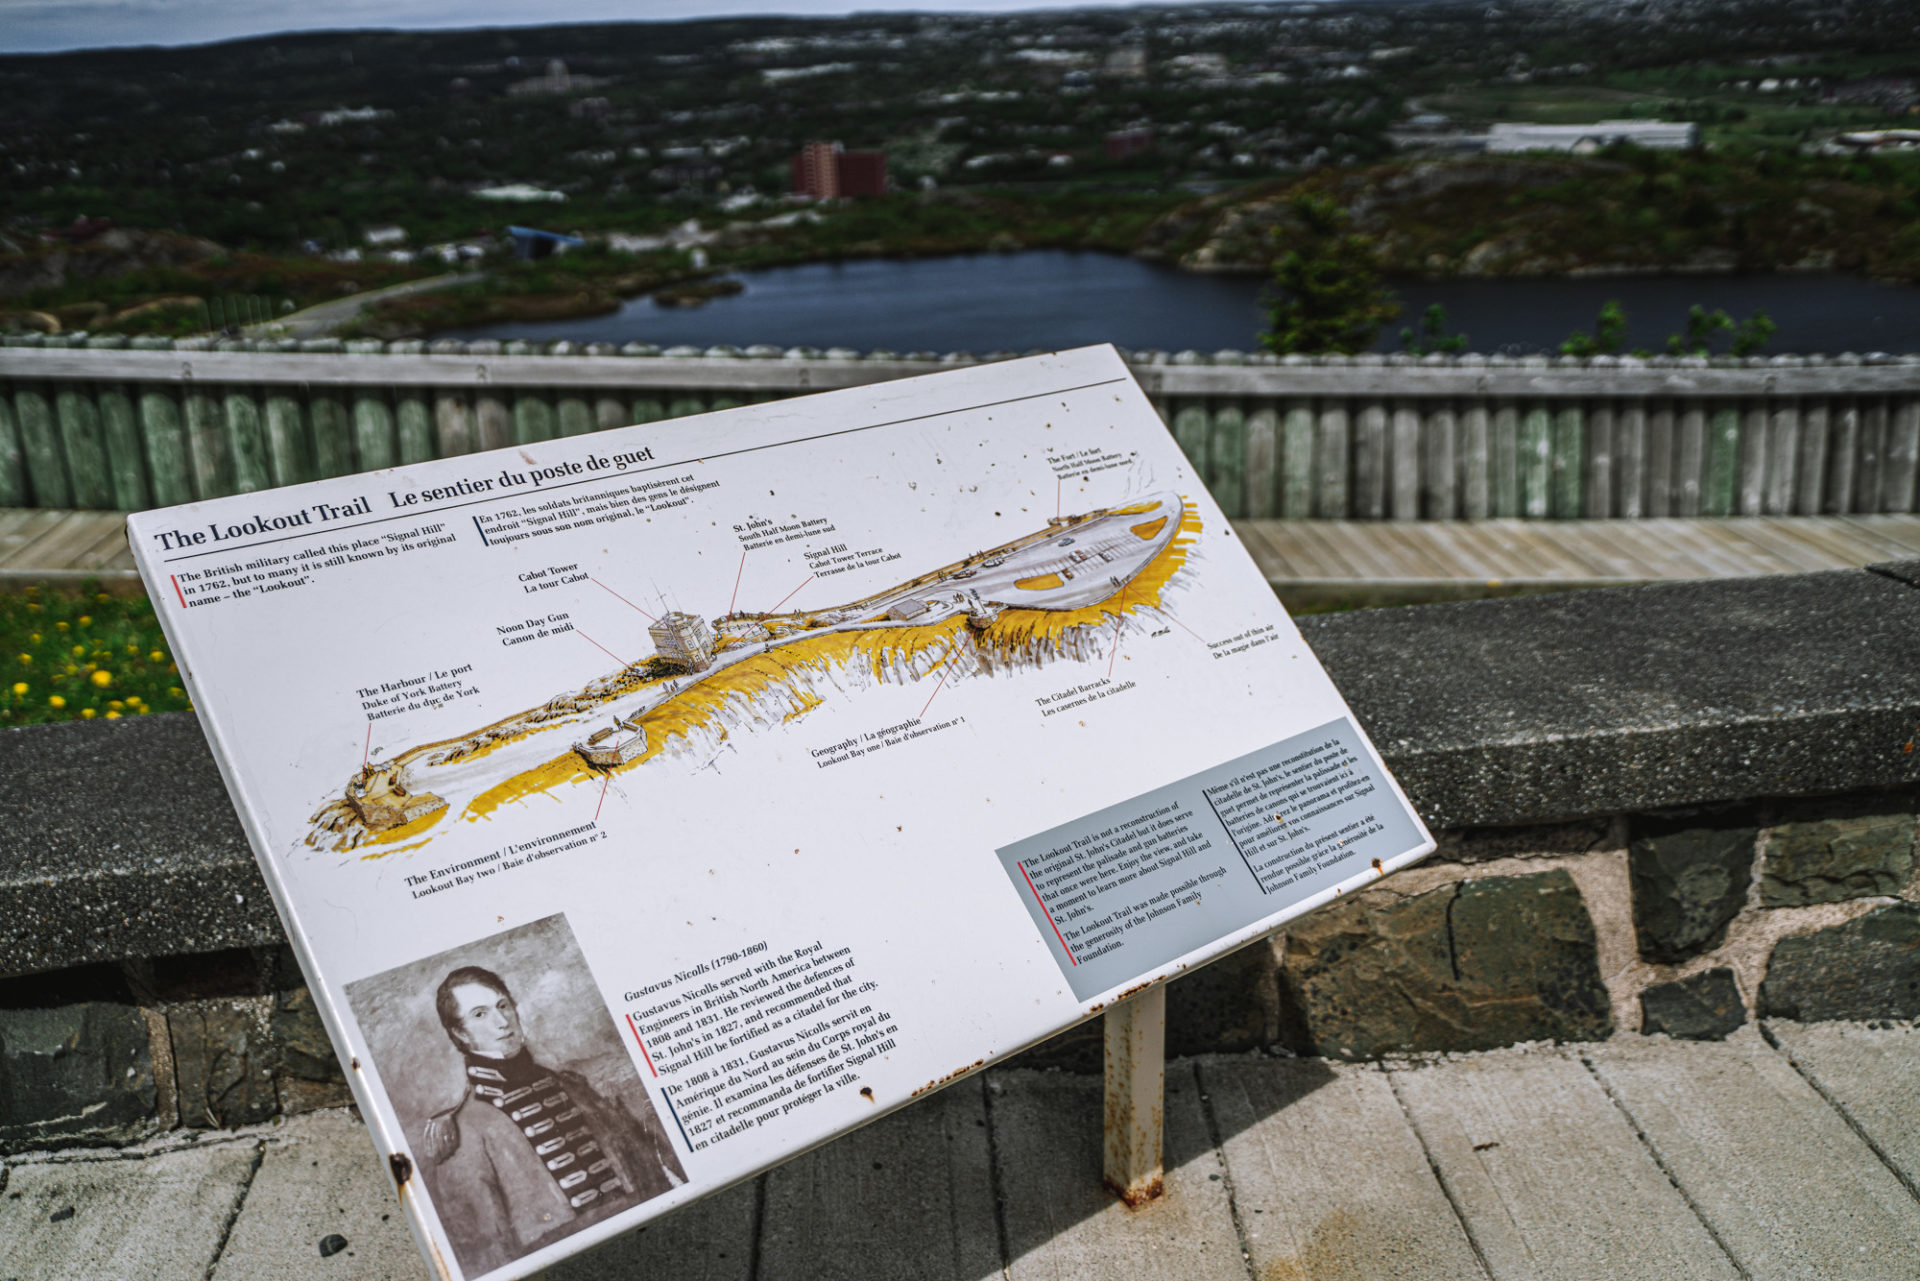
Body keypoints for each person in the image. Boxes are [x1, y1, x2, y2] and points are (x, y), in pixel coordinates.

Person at [421, 965, 685, 1274]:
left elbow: (649, 1170)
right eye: (480, 1014)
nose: (501, 1022)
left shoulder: (573, 1085)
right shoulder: (462, 1129)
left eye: (503, 1006)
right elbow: (487, 1251)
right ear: (460, 1033)